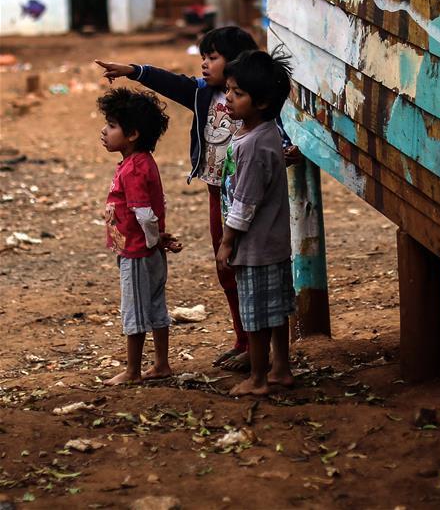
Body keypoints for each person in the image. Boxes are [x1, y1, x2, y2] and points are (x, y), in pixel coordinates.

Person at [94, 27, 297, 372]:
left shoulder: (252, 101)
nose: (204, 64)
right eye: (203, 57)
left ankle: (258, 348)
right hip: (219, 194)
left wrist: (287, 151)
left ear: (235, 63)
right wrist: (132, 70)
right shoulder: (204, 95)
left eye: (212, 57)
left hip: (248, 201)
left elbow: (276, 134)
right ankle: (244, 339)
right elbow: (170, 82)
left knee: (245, 267)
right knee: (228, 269)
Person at [215, 48, 294, 396]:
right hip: (270, 242)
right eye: (229, 90)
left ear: (261, 102)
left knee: (258, 317)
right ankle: (281, 369)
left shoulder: (253, 144)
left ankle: (259, 378)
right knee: (275, 311)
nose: (228, 98)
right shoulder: (261, 134)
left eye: (238, 93)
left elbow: (245, 202)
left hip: (255, 246)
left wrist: (228, 240)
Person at [98, 88, 181, 385]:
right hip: (149, 250)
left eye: (111, 125)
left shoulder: (133, 169)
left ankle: (133, 371)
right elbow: (158, 203)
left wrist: (151, 240)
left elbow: (143, 212)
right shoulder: (144, 161)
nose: (104, 131)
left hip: (137, 252)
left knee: (134, 311)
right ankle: (161, 364)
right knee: (157, 305)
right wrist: (157, 239)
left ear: (132, 134)